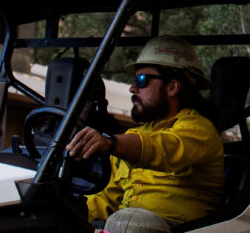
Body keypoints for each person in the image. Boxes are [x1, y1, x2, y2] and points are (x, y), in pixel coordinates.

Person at [66, 36, 224, 233]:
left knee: (128, 223)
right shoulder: (133, 137)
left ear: (172, 87)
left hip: (179, 228)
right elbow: (105, 197)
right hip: (121, 226)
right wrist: (66, 214)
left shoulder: (199, 129)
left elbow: (161, 148)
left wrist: (111, 143)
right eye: (134, 81)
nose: (132, 88)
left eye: (141, 80)